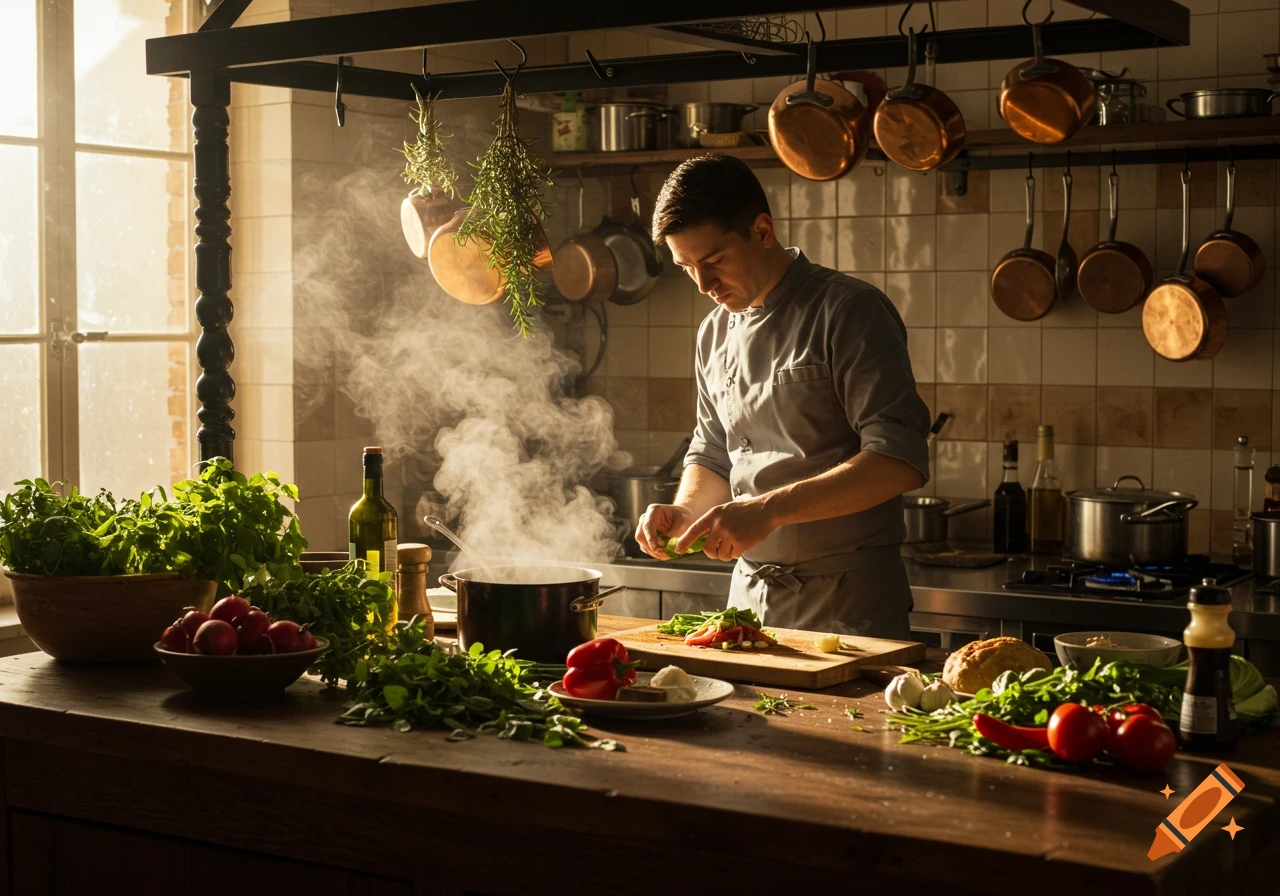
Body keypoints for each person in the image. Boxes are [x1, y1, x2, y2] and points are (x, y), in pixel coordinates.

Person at [635, 154, 930, 640]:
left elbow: (898, 459)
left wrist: (767, 510)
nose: (704, 285)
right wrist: (686, 511)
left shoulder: (849, 310)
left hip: (848, 602)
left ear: (763, 230)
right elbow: (711, 451)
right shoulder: (714, 332)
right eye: (686, 267)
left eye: (714, 261)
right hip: (747, 602)